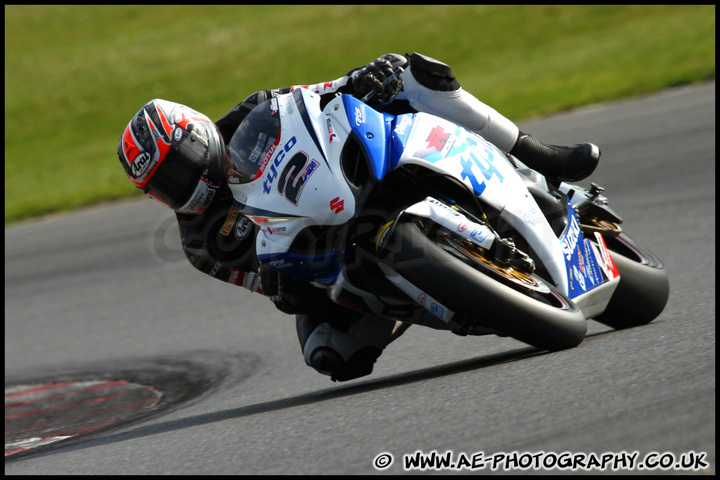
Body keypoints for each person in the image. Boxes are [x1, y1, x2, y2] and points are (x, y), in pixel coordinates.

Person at [117, 52, 600, 382]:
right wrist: (282, 287)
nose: (181, 186)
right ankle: (451, 295)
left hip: (346, 178)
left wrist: (366, 77)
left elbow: (320, 93)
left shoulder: (250, 111)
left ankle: (538, 157)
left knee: (415, 72)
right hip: (327, 257)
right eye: (164, 186)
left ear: (199, 132)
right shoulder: (201, 244)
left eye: (180, 166)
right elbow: (264, 286)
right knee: (329, 354)